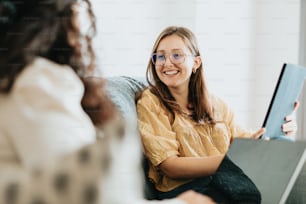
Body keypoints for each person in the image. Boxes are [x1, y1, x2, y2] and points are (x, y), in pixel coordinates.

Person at [0, 1, 214, 204]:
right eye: (76, 7)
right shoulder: (36, 82)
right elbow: (84, 195)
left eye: (177, 56)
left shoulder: (212, 105)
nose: (80, 19)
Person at [136, 26, 299, 202]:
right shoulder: (150, 102)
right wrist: (228, 162)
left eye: (177, 55)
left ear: (196, 63)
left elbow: (245, 143)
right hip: (184, 189)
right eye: (160, 56)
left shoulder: (216, 104)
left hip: (224, 179)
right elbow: (169, 166)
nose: (167, 63)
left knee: (288, 181)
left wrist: (281, 132)